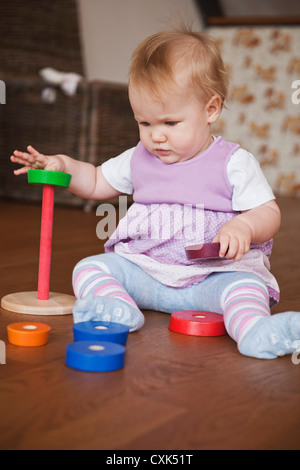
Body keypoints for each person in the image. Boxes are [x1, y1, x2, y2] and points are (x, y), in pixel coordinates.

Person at [11, 28, 300, 360]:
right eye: (144, 123)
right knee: (90, 268)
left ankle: (254, 331)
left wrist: (245, 227)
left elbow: (269, 212)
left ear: (211, 110)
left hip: (213, 276)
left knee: (246, 288)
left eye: (170, 123)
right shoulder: (138, 157)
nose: (156, 137)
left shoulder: (233, 162)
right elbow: (93, 181)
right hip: (146, 270)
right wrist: (62, 164)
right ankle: (117, 308)